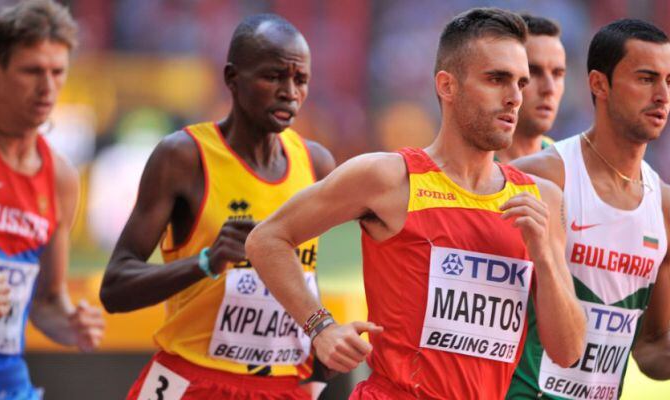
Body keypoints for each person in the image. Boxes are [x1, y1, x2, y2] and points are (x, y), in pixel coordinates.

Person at [246, 8, 585, 400]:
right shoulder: (388, 178)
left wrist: (544, 256)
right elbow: (267, 239)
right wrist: (320, 327)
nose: (514, 98)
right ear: (447, 86)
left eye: (520, 83)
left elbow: (568, 352)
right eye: (497, 79)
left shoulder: (541, 199)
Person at [99, 13, 335, 400]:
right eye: (273, 76)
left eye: (301, 79)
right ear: (232, 77)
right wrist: (208, 262)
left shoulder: (317, 165)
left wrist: (319, 366)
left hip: (284, 384)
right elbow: (114, 288)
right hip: (192, 380)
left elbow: (305, 276)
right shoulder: (184, 157)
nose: (290, 92)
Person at [507, 19, 670, 400]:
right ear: (598, 84)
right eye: (646, 79)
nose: (662, 95)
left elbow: (652, 343)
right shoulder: (541, 177)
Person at [0, 1, 105, 398]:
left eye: (57, 72)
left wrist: (72, 325)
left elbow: (47, 301)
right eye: (32, 71)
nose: (47, 88)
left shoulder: (60, 178)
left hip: (7, 386)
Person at [495, 14, 565, 163]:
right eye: (533, 72)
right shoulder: (467, 170)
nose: (549, 88)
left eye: (557, 74)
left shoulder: (569, 164)